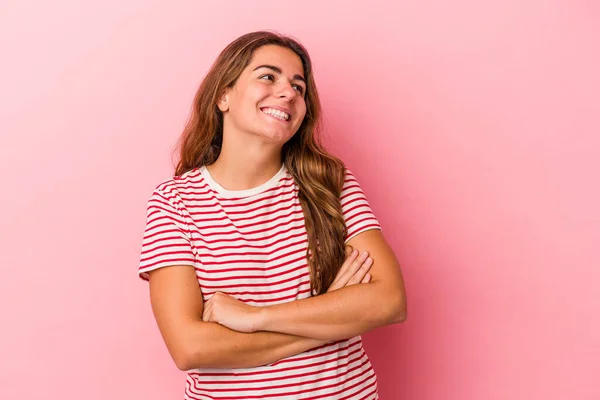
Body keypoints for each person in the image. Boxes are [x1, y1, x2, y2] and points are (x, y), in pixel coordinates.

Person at [138, 30, 407, 400]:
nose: (289, 92)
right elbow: (190, 347)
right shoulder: (176, 202)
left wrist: (253, 318)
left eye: (299, 87)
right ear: (223, 95)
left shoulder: (329, 183)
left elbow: (389, 301)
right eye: (268, 76)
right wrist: (332, 314)